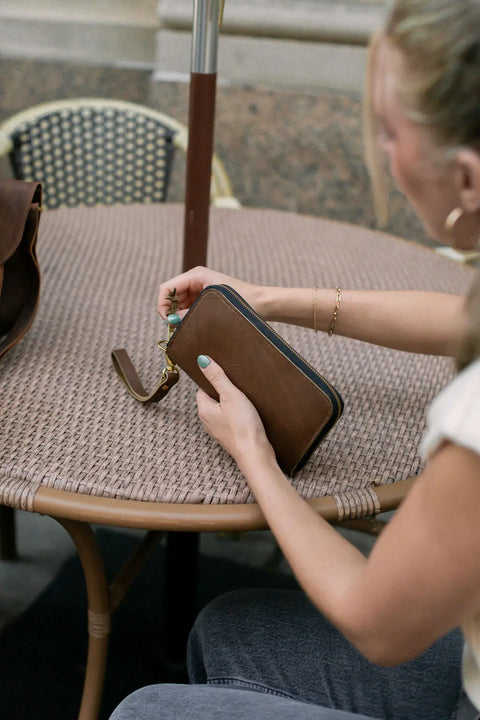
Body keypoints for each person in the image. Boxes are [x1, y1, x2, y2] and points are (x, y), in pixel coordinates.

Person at [109, 1, 480, 718]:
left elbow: (376, 626)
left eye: (388, 131)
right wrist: (269, 299)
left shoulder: (472, 419)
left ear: (466, 178)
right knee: (228, 626)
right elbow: (460, 316)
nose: (382, 152)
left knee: (145, 710)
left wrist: (253, 452)